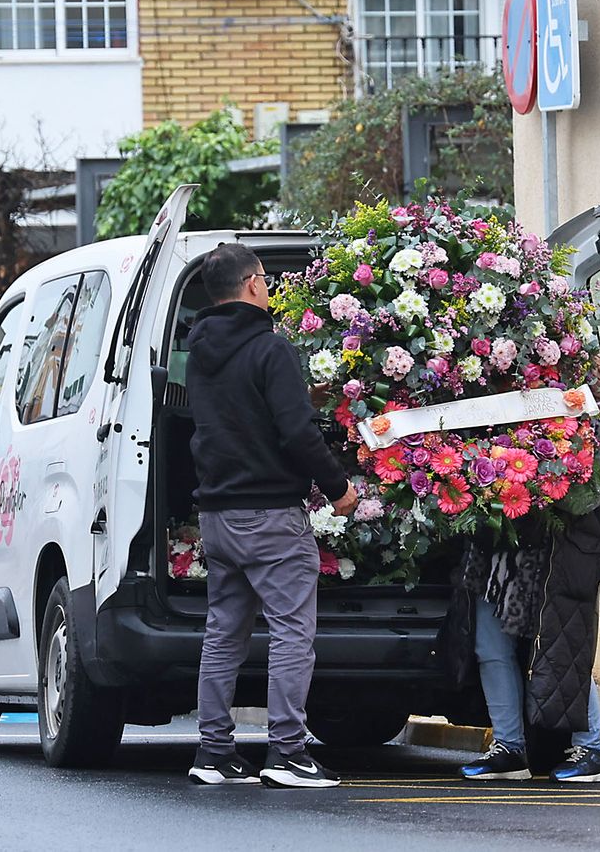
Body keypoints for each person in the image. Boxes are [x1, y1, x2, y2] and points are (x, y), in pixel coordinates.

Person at [457, 326, 600, 784]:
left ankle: (592, 749)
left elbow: (587, 497)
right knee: (491, 644)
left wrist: (527, 479)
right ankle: (509, 747)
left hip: (563, 555)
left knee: (564, 649)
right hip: (511, 548)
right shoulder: (563, 397)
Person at [184, 243, 358, 789]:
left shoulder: (199, 351)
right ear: (254, 284)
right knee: (291, 633)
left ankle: (214, 752)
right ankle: (287, 753)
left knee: (223, 634)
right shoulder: (270, 347)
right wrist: (338, 488)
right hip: (270, 516)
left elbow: (239, 414)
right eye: (265, 279)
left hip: (217, 515)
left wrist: (300, 396)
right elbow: (295, 433)